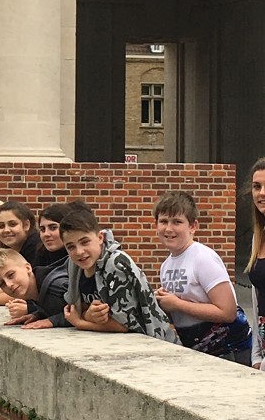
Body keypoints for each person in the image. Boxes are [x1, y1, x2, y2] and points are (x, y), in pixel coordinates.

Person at [155, 190, 251, 363]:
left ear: (193, 226)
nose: (168, 228)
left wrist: (177, 304)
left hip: (229, 351)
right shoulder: (165, 266)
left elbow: (227, 312)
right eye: (163, 221)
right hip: (198, 352)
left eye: (177, 222)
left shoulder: (203, 258)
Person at [62, 203, 178, 342]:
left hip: (154, 343)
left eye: (85, 242)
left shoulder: (116, 264)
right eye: (71, 247)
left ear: (100, 238)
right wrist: (88, 315)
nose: (79, 252)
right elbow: (77, 308)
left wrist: (80, 323)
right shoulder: (74, 265)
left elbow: (124, 325)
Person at [0, 248, 70, 329]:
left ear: (28, 268)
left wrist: (52, 321)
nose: (9, 284)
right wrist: (38, 314)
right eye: (2, 283)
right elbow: (57, 307)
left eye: (11, 275)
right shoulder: (35, 291)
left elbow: (81, 309)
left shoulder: (56, 285)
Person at [245, 157, 265, 369]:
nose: (262, 194)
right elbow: (257, 302)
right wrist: (256, 356)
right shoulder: (258, 238)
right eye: (257, 187)